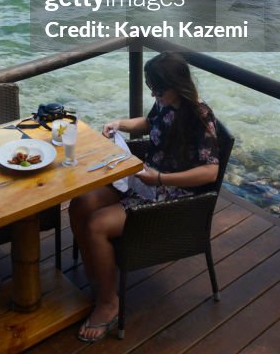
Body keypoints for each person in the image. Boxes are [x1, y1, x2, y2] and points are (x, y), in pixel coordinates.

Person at [69, 52, 220, 343]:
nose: (154, 93)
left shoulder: (199, 116)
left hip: (171, 196)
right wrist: (119, 124)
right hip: (146, 180)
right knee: (80, 204)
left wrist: (161, 178)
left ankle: (108, 303)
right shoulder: (166, 103)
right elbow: (150, 123)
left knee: (96, 224)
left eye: (157, 89)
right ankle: (99, 276)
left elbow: (210, 173)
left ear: (177, 85)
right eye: (151, 87)